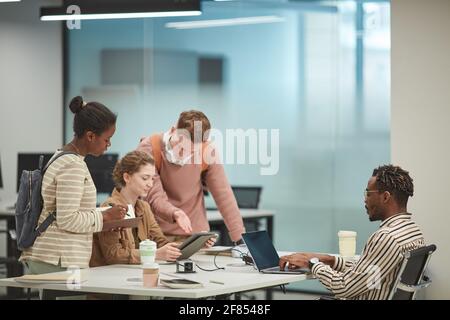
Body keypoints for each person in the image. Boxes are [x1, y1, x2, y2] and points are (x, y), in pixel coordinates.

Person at [279, 165, 425, 300]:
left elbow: (344, 287)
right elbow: (370, 271)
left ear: (385, 197)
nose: (365, 199)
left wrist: (311, 263)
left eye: (368, 193)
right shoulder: (412, 231)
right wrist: (330, 260)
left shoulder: (387, 238)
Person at [20, 96, 127, 277]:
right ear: (90, 136)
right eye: (107, 139)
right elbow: (68, 219)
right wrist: (104, 217)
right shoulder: (72, 165)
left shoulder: (62, 155)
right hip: (59, 258)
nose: (109, 145)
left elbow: (69, 212)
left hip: (52, 256)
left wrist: (104, 216)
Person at [137, 110, 245, 243]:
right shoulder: (150, 147)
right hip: (157, 235)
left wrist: (240, 238)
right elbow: (154, 196)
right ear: (173, 130)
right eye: (180, 147)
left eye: (191, 151)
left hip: (195, 237)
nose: (183, 155)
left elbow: (224, 196)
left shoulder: (206, 151)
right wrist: (176, 213)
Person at [90, 150, 183, 267]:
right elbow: (114, 255)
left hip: (132, 273)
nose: (150, 184)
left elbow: (161, 242)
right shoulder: (110, 208)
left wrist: (193, 245)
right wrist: (155, 254)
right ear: (127, 177)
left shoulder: (144, 207)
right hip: (111, 276)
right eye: (145, 178)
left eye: (152, 179)